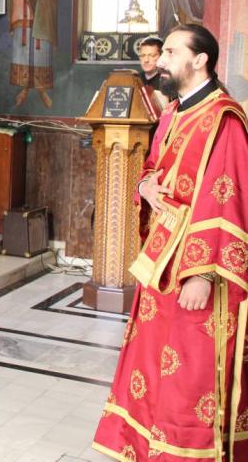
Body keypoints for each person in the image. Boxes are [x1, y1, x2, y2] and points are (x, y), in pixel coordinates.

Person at [93, 24, 248, 460]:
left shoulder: (224, 120)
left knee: (190, 372)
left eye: (171, 53)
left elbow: (227, 199)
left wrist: (201, 274)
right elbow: (152, 169)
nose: (160, 61)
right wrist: (145, 187)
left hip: (198, 274)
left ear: (200, 60)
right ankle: (147, 447)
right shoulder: (174, 113)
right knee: (153, 363)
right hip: (160, 265)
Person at [137, 36, 170, 128]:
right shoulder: (134, 79)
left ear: (161, 57)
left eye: (152, 55)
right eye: (143, 55)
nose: (146, 60)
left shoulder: (169, 80)